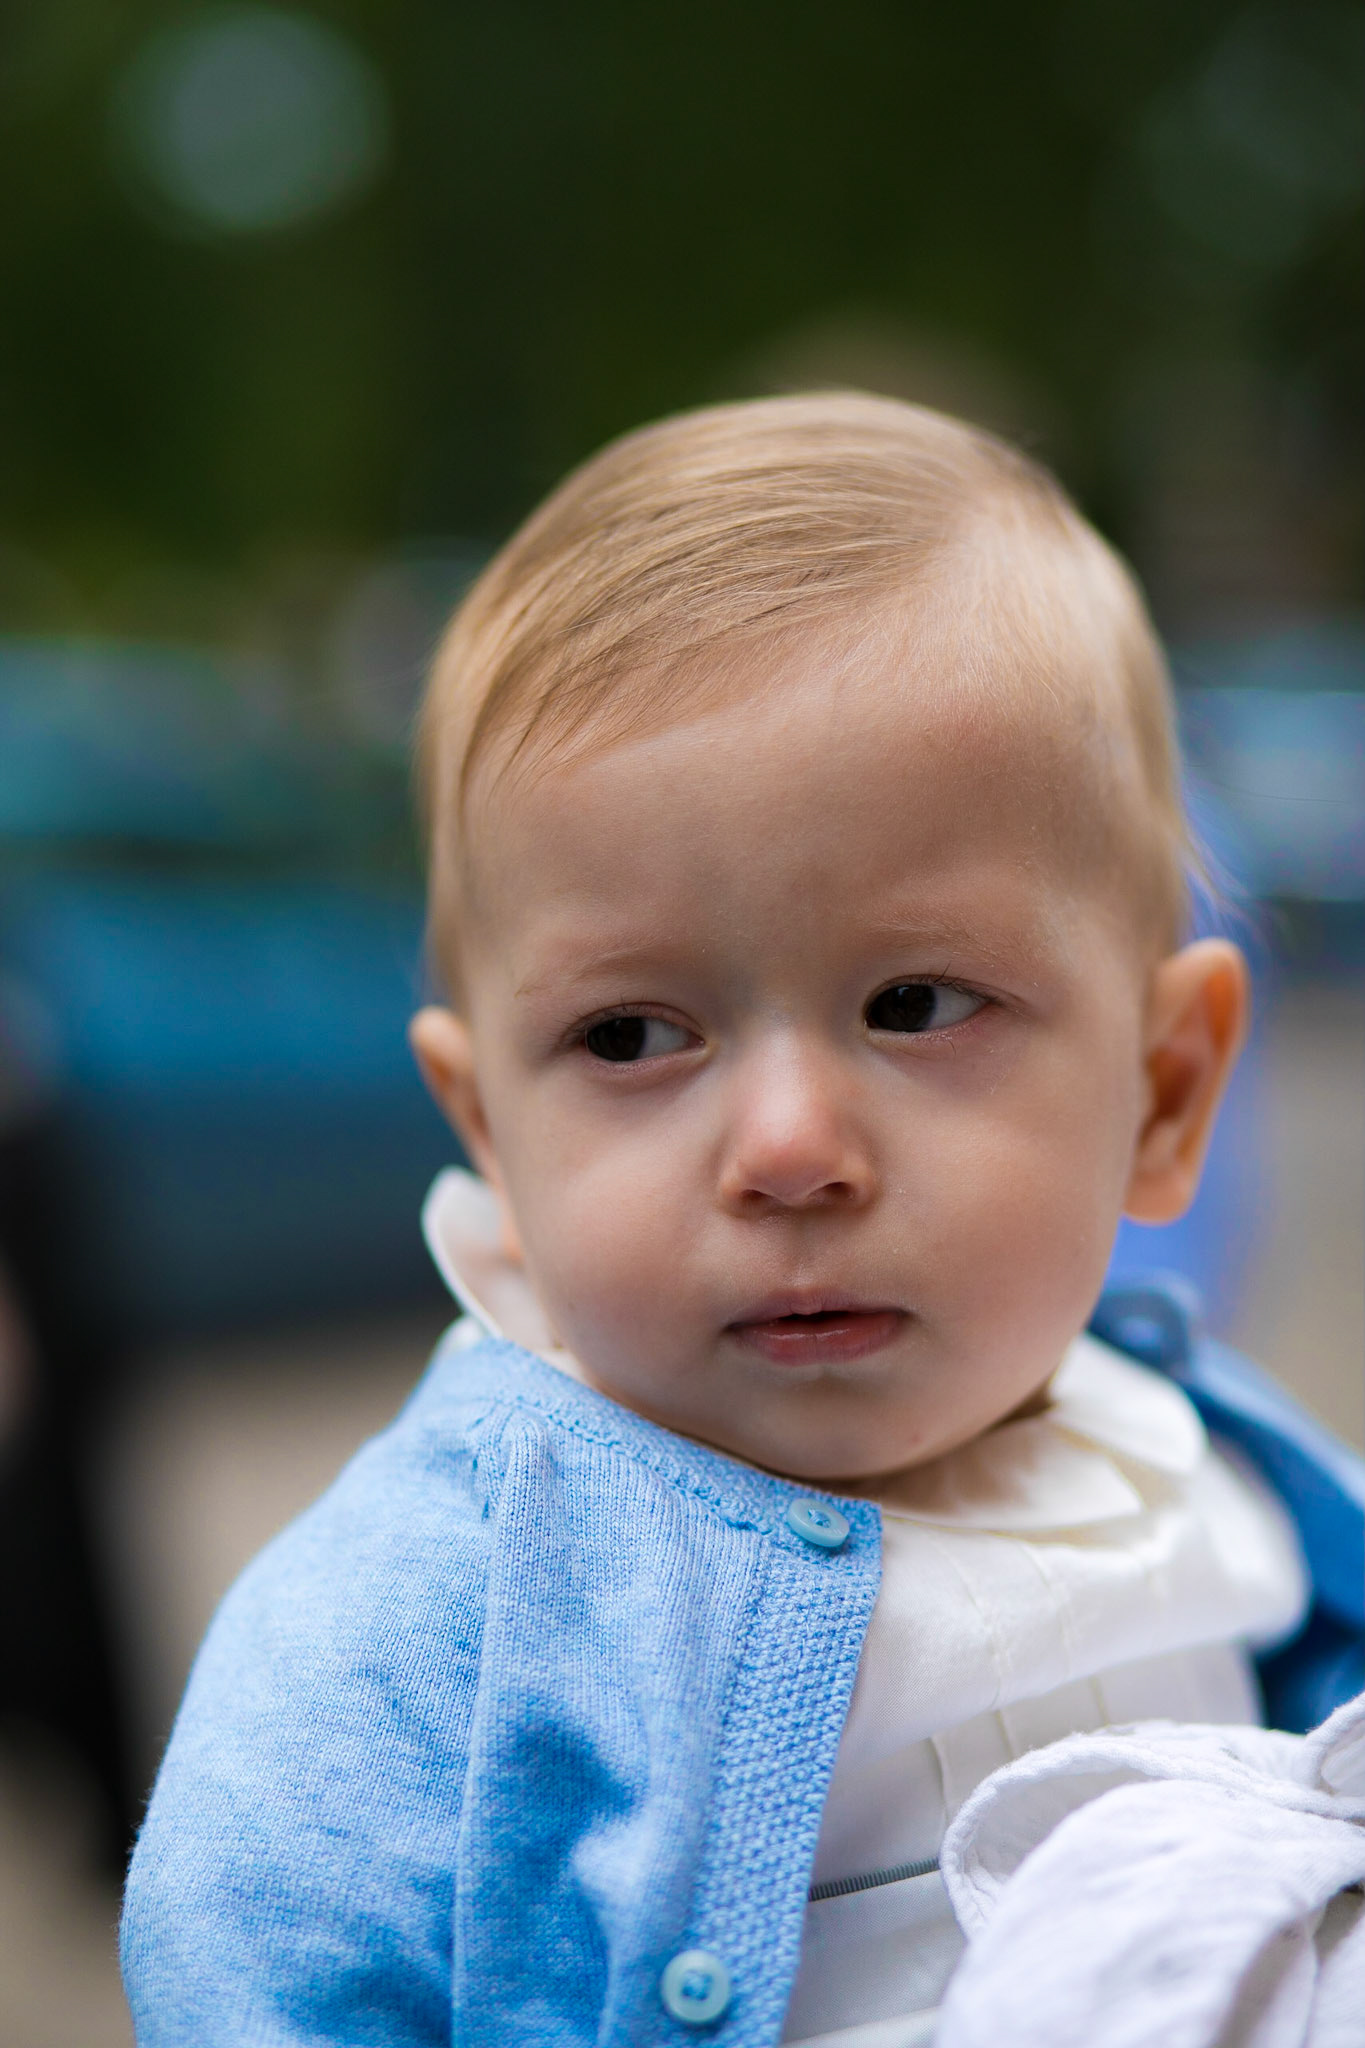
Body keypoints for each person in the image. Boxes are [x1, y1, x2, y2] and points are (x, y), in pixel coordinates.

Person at [120, 394, 1317, 2047]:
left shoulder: (1222, 1476)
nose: (787, 1148)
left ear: (1165, 1093)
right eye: (628, 1037)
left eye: (913, 1002)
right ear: (491, 1137)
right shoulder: (425, 1622)